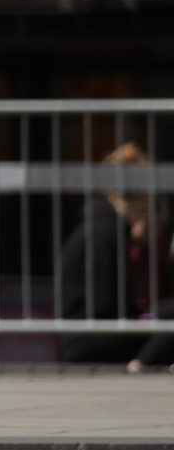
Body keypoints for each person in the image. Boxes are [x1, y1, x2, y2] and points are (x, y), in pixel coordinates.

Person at [55, 143, 174, 372]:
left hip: (90, 334)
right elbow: (106, 303)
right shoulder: (104, 231)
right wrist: (141, 315)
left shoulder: (104, 226)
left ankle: (141, 364)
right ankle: (138, 366)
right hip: (92, 337)